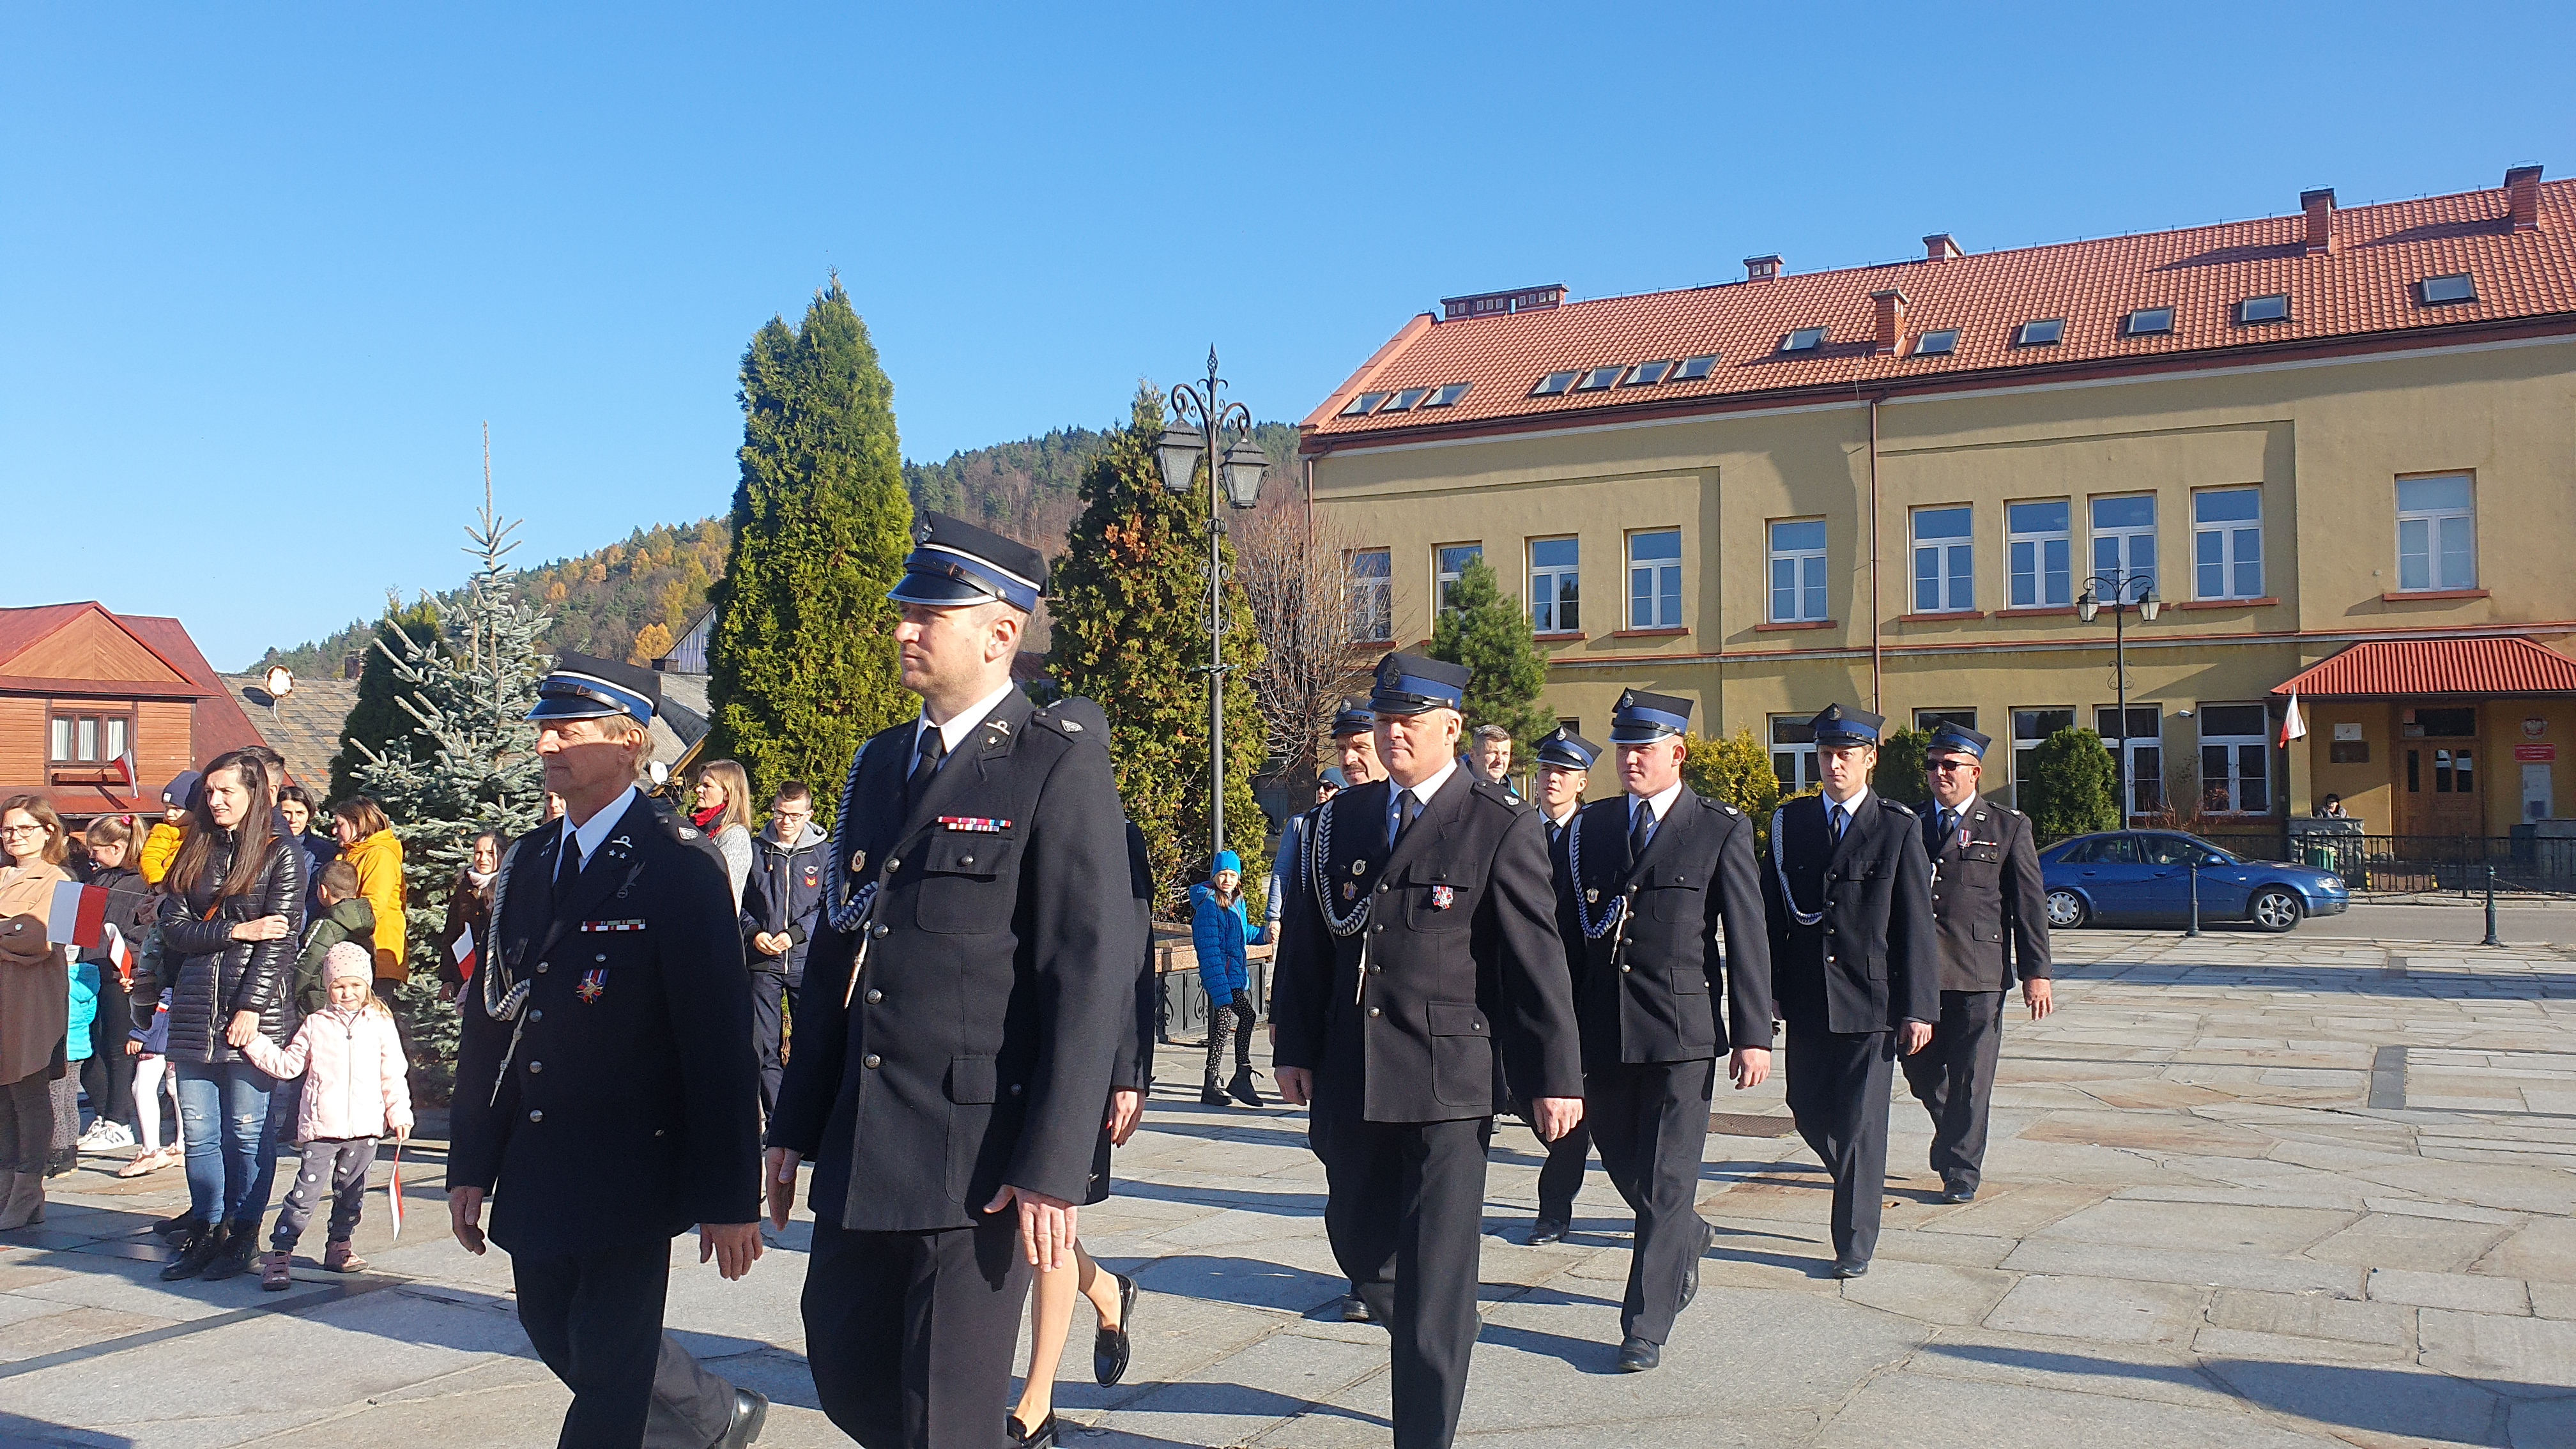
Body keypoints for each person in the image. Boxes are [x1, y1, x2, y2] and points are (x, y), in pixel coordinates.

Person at [763, 512, 1140, 1449]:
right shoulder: (878, 764)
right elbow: (837, 955)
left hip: (975, 1159)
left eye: (928, 615)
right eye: (905, 611)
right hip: (865, 1142)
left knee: (946, 1418)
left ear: (1000, 633)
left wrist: (1053, 1166)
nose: (903, 629)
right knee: (845, 1373)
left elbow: (1085, 974)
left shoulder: (1054, 763)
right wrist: (794, 1126)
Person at [448, 656, 769, 1449]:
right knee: (555, 1328)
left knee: (608, 1374)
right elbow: (491, 1024)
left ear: (628, 742)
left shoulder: (677, 862)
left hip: (633, 1162)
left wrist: (730, 1195)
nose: (546, 744)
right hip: (538, 1157)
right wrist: (470, 1162)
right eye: (544, 729)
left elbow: (718, 1040)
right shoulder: (530, 860)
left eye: (568, 730)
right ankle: (714, 1416)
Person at [1271, 652, 1584, 1449]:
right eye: (1385, 720)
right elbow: (1308, 943)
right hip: (1354, 1074)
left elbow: (1536, 961)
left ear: (1452, 728)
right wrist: (1294, 1045)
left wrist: (1555, 1076)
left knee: (1437, 1274)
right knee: (1358, 1240)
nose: (1393, 734)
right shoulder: (1340, 820)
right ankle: (1431, 1321)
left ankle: (1425, 1417)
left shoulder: (1497, 821)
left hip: (1450, 1083)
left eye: (1409, 720)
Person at [1557, 693, 1772, 1370]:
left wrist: (1754, 1033)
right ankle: (1688, 1235)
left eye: (1643, 749)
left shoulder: (1717, 827)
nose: (1630, 759)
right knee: (1623, 1160)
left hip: (1683, 1030)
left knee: (1667, 1177)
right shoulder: (1590, 827)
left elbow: (1746, 934)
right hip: (1605, 1028)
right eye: (1623, 747)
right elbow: (1565, 934)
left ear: (1677, 752)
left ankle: (1644, 1325)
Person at [1759, 705, 1937, 1279]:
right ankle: (1861, 1181)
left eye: (1846, 755)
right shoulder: (1792, 823)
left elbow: (1915, 924)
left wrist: (1919, 1008)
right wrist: (1768, 989)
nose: (1834, 765)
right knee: (1806, 1108)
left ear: (1870, 759)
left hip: (1871, 1000)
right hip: (1809, 996)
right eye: (1826, 755)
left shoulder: (1897, 826)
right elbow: (1771, 915)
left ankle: (1854, 1242)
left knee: (1861, 1123)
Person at [1007, 819, 1158, 1448]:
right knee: (1023, 1222)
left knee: (1048, 1222)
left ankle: (1036, 1401)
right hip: (999, 1056)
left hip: (1077, 1063)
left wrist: (1129, 1073)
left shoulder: (1114, 833)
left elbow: (1133, 958)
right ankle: (1105, 1288)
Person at [154, 750, 306, 1281]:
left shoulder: (280, 853)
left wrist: (251, 1007)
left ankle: (243, 1232)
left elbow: (280, 941)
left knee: (246, 1129)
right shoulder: (195, 848)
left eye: (227, 791)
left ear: (254, 795)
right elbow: (174, 928)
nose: (216, 801)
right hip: (196, 1005)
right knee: (198, 1131)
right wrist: (238, 929)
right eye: (210, 791)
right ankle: (207, 1228)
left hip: (250, 1007)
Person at [1904, 724, 2052, 1205]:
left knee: (1971, 1078)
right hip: (1918, 973)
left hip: (1978, 972)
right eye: (1933, 765)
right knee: (1921, 1072)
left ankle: (1961, 1172)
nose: (1940, 774)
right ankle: (1951, 1134)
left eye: (1951, 765)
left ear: (1975, 772)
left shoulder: (2007, 827)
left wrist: (2036, 973)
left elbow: (2028, 904)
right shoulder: (1907, 822)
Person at [241, 942, 412, 1289]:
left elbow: (393, 1073)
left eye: (355, 985)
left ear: (367, 984)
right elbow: (289, 1065)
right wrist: (253, 1042)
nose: (347, 993)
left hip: (365, 1128)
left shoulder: (380, 1023)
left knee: (352, 1194)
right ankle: (280, 1253)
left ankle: (340, 1246)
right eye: (339, 985)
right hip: (322, 1128)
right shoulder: (316, 1024)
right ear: (328, 986)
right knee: (304, 1195)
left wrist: (399, 1113)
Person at [1521, 725, 1599, 1246]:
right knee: (1525, 1096)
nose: (1551, 779)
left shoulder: (1595, 834)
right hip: (1521, 985)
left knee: (1571, 1101)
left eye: (1563, 772)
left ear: (1582, 782)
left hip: (1578, 987)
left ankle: (1554, 1207)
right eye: (1546, 770)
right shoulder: (1519, 828)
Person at [1, 797, 75, 1226]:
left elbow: (41, 940)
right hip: (4, 996)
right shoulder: (1, 876)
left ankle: (28, 1189)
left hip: (33, 1001)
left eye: (25, 828)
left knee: (28, 1094)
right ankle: (5, 1185)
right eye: (8, 829)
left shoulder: (61, 881)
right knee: (2, 1099)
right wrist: (11, 930)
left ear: (49, 831)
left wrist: (17, 934)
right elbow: (20, 933)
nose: (14, 837)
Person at [739, 783, 824, 1124]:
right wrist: (753, 933)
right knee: (765, 1047)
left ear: (809, 815)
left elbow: (828, 905)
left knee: (810, 1045)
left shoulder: (823, 854)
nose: (786, 821)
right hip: (763, 964)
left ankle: (806, 1123)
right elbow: (737, 901)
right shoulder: (755, 850)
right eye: (779, 813)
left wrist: (795, 935)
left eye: (794, 815)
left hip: (806, 962)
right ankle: (777, 1123)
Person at [74, 814, 153, 1154]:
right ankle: (105, 1115)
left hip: (122, 973)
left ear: (118, 847)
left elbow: (145, 931)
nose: (92, 855)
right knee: (91, 1045)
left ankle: (119, 1121)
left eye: (97, 848)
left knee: (119, 1048)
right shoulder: (100, 877)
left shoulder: (145, 882)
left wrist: (130, 960)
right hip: (91, 968)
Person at [1191, 851, 1261, 1108]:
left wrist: (1265, 934)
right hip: (1222, 978)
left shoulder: (1236, 902)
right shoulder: (1209, 905)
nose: (1227, 879)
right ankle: (1218, 1082)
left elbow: (1243, 932)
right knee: (1229, 1023)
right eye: (1222, 874)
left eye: (1232, 875)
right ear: (1214, 876)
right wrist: (1221, 989)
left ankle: (1233, 1077)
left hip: (1233, 977)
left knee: (1237, 1021)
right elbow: (1209, 951)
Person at [332, 797, 407, 998]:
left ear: (358, 823)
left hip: (377, 954)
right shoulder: (350, 854)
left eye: (340, 825)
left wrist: (333, 928)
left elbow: (372, 908)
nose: (334, 831)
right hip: (353, 953)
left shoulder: (380, 855)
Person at [1262, 769, 1344, 949]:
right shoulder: (1299, 824)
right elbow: (1281, 872)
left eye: (1328, 787)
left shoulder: (1348, 825)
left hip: (1336, 915)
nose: (1321, 791)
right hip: (1301, 911)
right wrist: (1274, 916)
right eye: (1318, 786)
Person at [293, 861, 377, 1018]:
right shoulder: (365, 923)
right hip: (354, 1004)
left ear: (323, 891)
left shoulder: (326, 926)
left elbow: (305, 967)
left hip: (318, 1007)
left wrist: (289, 997)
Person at [121, 981, 183, 1178]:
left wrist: (140, 1033)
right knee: (176, 1087)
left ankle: (151, 1151)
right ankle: (182, 1145)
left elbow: (160, 999)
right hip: (178, 1027)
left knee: (142, 1087)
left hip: (158, 1032)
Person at [435, 831, 502, 1002]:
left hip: (499, 973)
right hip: (468, 972)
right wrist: (448, 979)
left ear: (503, 855)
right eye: (478, 853)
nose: (483, 859)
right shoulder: (464, 889)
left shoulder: (510, 884)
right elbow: (452, 934)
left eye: (490, 853)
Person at [690, 758, 756, 912]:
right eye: (700, 784)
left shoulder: (734, 836)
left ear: (727, 793)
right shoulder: (697, 828)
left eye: (707, 786)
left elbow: (722, 890)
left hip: (712, 920)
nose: (698, 790)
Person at [279, 785, 337, 918]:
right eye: (286, 813)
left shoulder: (321, 851)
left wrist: (295, 924)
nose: (293, 820)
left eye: (300, 813)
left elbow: (316, 897)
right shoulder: (261, 846)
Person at [139, 771, 196, 885]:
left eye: (176, 809)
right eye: (167, 808)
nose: (169, 814)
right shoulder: (163, 832)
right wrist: (158, 882)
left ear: (194, 810)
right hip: (166, 887)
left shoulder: (201, 834)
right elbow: (150, 858)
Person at [1331, 697, 1383, 786]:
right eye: (1342, 749)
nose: (1347, 760)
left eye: (1359, 747)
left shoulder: (1406, 794)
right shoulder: (1341, 797)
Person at [1468, 724, 1519, 801]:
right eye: (1493, 753)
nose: (1500, 760)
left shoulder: (1513, 797)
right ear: (1472, 755)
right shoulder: (1454, 790)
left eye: (1505, 754)